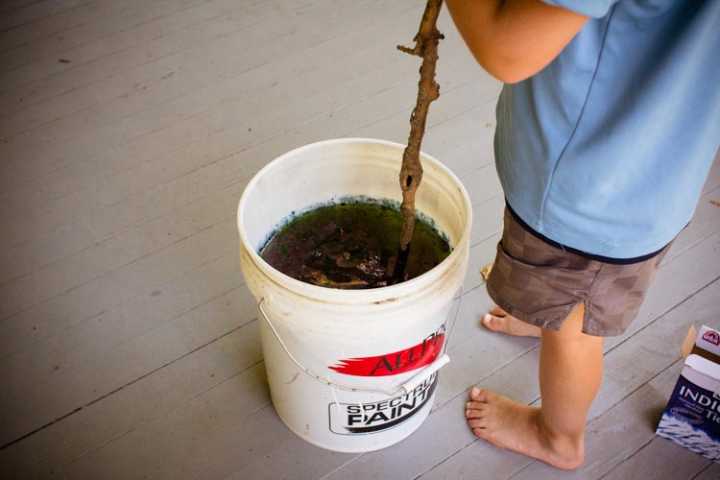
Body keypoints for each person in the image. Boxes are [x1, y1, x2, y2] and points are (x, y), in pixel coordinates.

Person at [445, 0, 720, 470]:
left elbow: (506, 48)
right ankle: (544, 315)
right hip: (656, 170)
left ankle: (557, 437)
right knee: (573, 299)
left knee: (575, 328)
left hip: (583, 190)